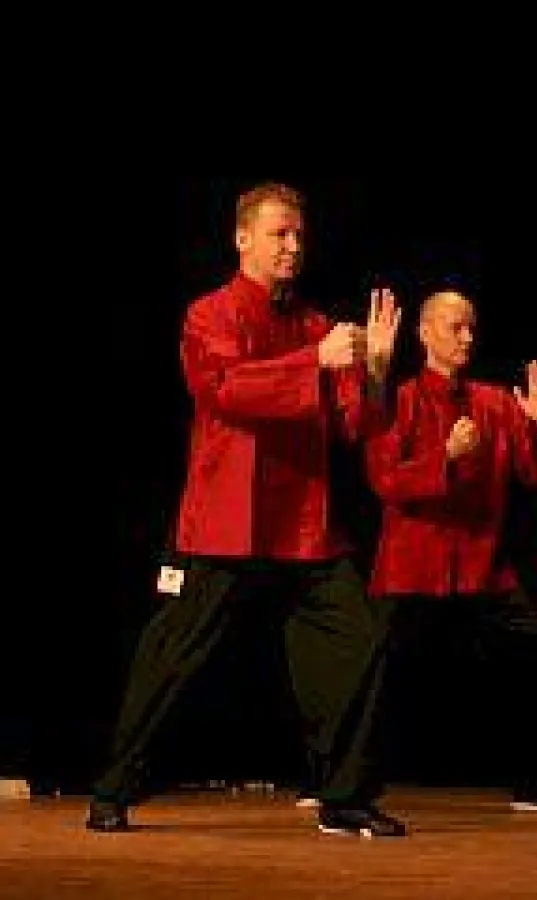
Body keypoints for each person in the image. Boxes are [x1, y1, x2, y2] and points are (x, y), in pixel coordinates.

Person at [86, 181, 407, 838]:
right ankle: (113, 788)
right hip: (226, 523)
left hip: (303, 527)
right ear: (242, 239)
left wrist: (375, 372)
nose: (293, 246)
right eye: (279, 233)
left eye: (299, 235)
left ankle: (342, 795)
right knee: (171, 655)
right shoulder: (209, 314)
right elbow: (226, 389)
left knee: (362, 638)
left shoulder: (315, 324)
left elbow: (356, 426)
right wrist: (314, 362)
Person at [364, 288, 537, 813]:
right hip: (414, 567)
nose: (466, 337)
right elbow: (386, 479)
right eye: (454, 327)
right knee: (371, 670)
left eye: (471, 328)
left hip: (482, 565)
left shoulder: (495, 402)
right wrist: (446, 455)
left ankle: (534, 784)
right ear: (424, 333)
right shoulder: (401, 399)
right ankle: (339, 781)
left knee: (533, 649)